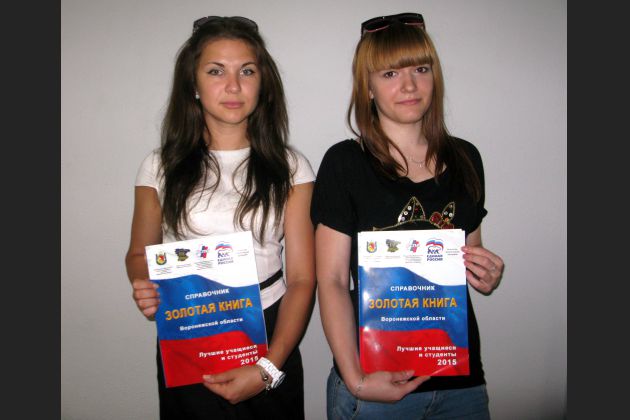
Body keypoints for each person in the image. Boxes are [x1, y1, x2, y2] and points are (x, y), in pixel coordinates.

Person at [311, 12, 505, 419]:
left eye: (420, 69)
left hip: (460, 382)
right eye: (390, 74)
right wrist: (356, 379)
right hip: (374, 383)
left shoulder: (466, 158)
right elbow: (331, 281)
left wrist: (486, 272)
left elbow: (470, 257)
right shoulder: (345, 163)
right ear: (367, 87)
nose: (410, 85)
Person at [125, 16, 316, 419]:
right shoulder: (159, 166)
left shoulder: (291, 166)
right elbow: (139, 253)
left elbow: (302, 278)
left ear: (263, 84)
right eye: (216, 71)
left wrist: (268, 368)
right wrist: (144, 284)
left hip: (270, 331)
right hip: (190, 326)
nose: (233, 86)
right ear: (193, 84)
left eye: (247, 71)